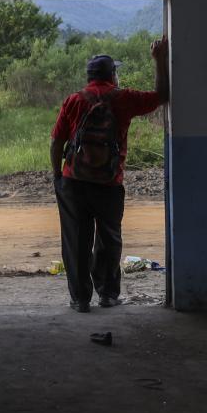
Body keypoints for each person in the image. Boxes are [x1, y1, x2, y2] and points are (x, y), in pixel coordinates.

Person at [50, 36, 169, 312]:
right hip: (109, 182)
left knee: (76, 240)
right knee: (109, 237)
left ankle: (80, 299)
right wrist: (159, 60)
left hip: (74, 181)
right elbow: (161, 96)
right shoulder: (124, 99)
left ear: (89, 77)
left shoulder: (73, 101)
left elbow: (56, 142)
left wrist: (58, 176)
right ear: (112, 75)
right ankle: (107, 294)